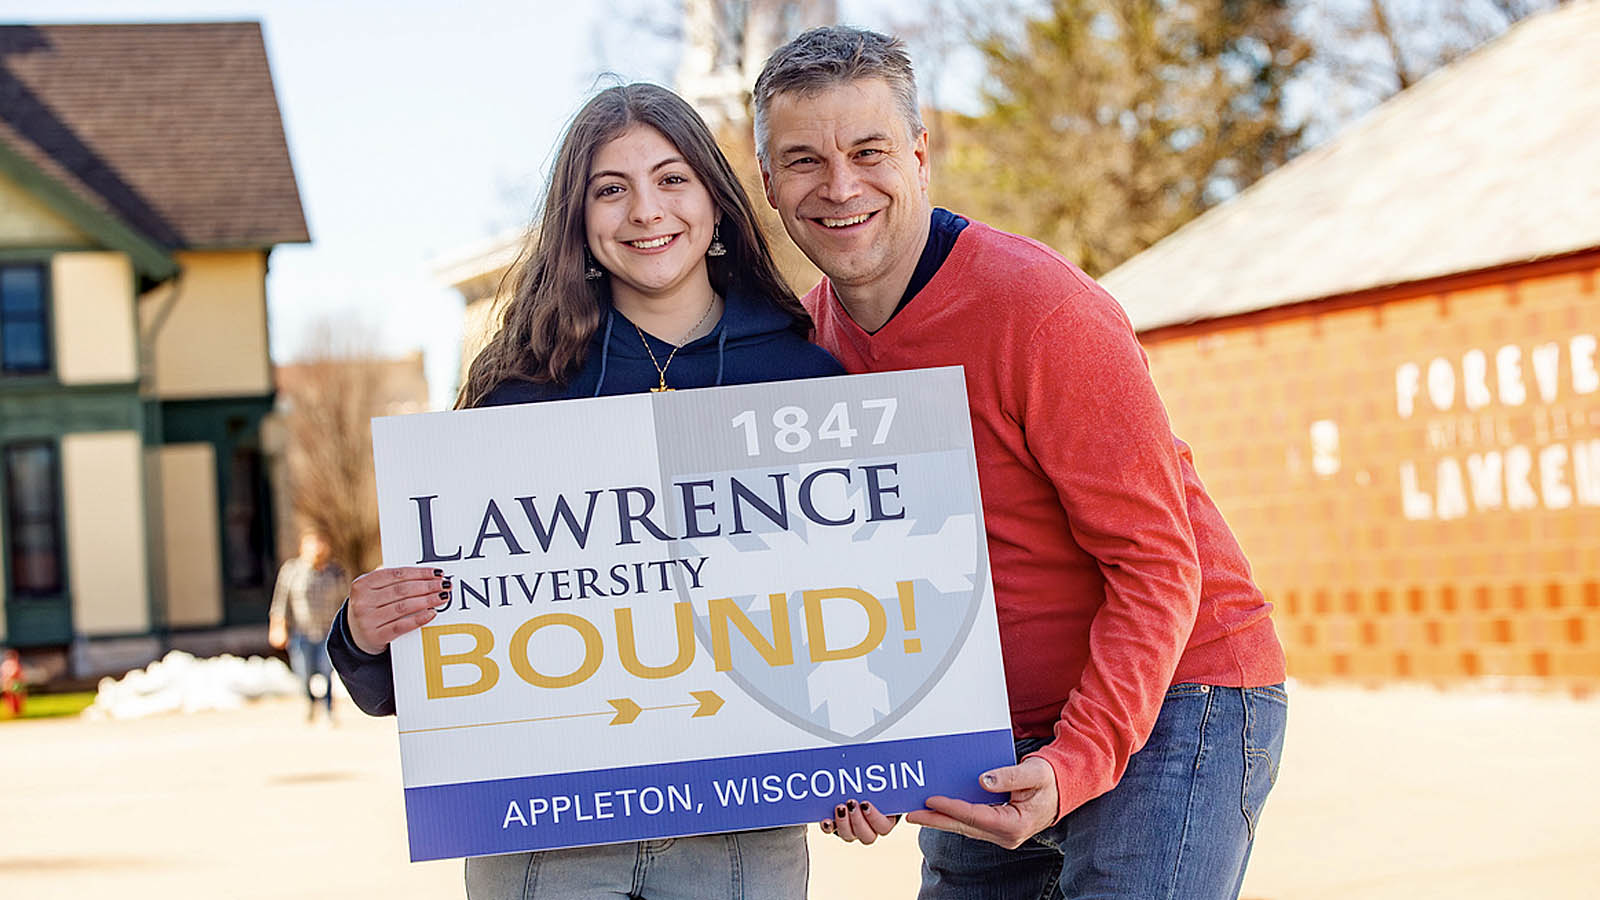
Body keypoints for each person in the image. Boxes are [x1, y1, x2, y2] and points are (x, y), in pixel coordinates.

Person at [751, 26, 1289, 900]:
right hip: (990, 731)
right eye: (805, 160)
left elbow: (1156, 562)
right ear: (769, 181)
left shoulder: (1041, 312)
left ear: (921, 158)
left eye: (869, 150)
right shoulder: (809, 349)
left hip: (1176, 697)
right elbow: (863, 585)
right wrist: (870, 752)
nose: (840, 185)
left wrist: (1077, 760)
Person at [326, 83, 842, 900]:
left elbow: (854, 610)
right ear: (579, 219)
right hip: (542, 837)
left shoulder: (805, 384)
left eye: (672, 179)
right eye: (612, 188)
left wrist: (869, 756)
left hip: (739, 835)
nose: (646, 211)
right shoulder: (516, 393)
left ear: (715, 200)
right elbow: (441, 659)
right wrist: (364, 633)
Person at [268, 530, 348, 723]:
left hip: (328, 632)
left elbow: (346, 602)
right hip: (302, 632)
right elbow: (281, 602)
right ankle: (311, 702)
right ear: (303, 547)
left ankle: (328, 709)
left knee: (326, 671)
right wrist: (278, 626)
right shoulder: (292, 570)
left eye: (321, 543)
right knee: (304, 673)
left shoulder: (336, 572)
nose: (317, 548)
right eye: (313, 544)